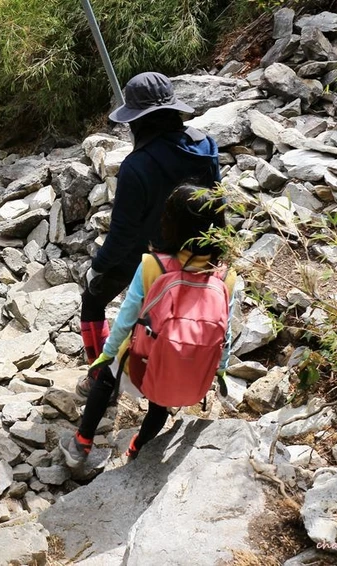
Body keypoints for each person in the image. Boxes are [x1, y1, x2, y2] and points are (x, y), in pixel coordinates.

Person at [60, 184, 236, 467]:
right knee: (160, 404)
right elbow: (225, 333)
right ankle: (137, 448)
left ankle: (81, 443)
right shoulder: (226, 277)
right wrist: (222, 370)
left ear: (171, 224)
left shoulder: (154, 265)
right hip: (186, 375)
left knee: (106, 377)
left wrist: (106, 354)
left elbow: (126, 320)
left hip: (140, 365)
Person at [78, 72, 221, 386]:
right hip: (196, 252)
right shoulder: (206, 144)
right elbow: (215, 202)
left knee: (92, 299)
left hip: (148, 255)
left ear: (138, 120)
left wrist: (97, 267)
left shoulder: (136, 166)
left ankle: (101, 376)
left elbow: (124, 234)